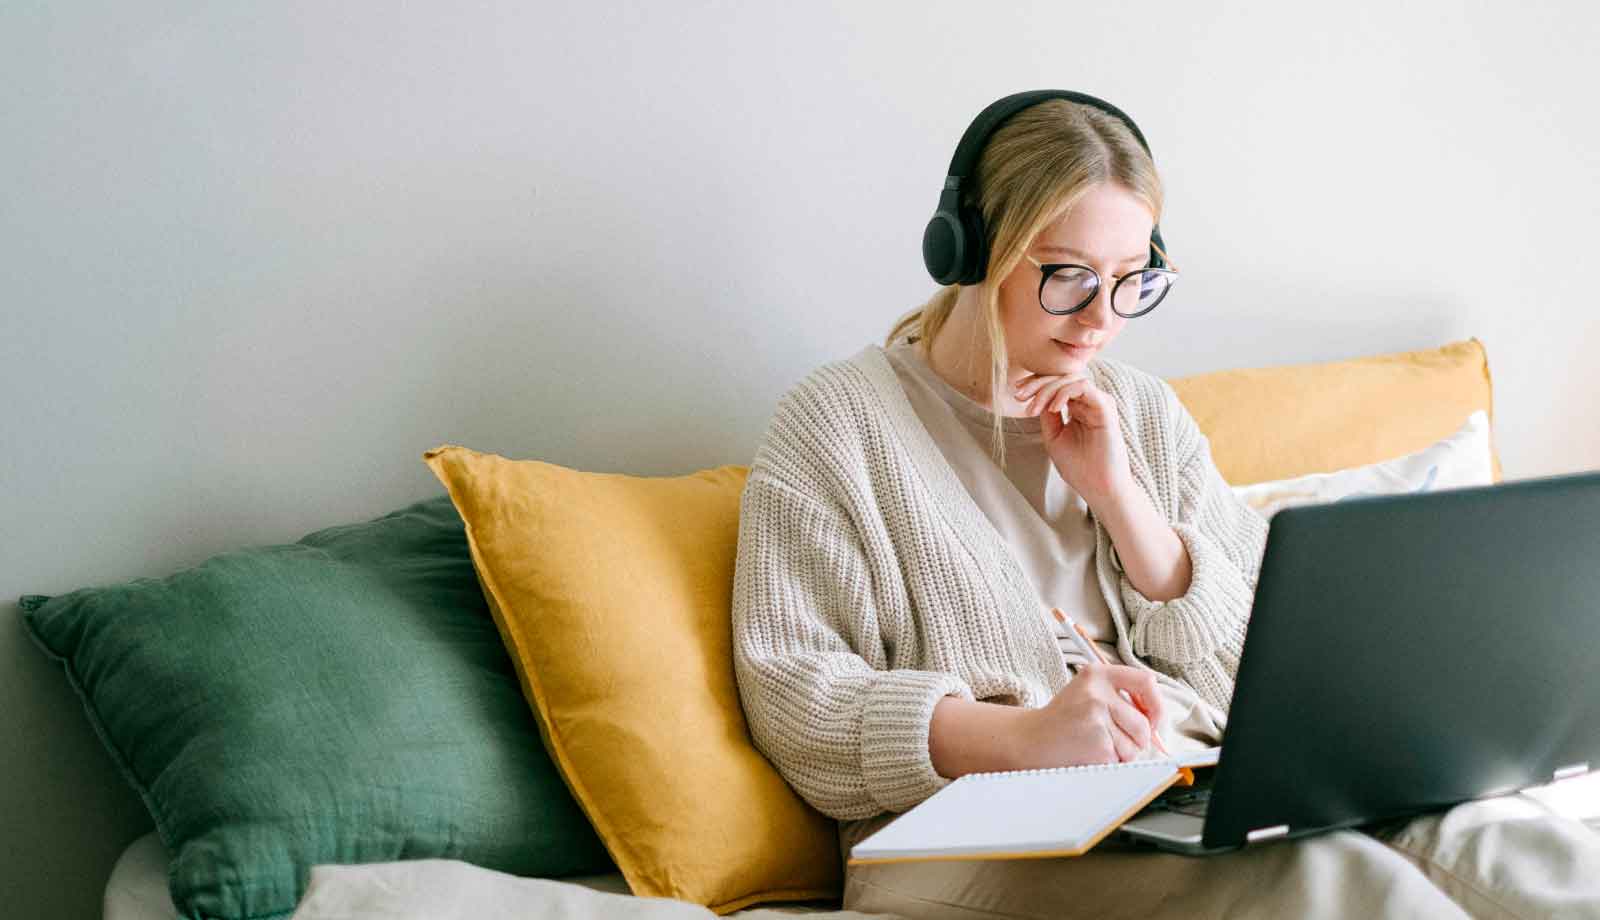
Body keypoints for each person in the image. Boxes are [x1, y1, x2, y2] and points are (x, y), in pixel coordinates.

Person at [730, 94, 1600, 919]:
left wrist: (1123, 502)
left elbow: (1265, 664)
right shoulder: (839, 424)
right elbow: (799, 701)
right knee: (1336, 882)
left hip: (1186, 784)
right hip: (962, 836)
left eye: (1133, 279)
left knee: (1492, 838)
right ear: (970, 251)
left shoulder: (1139, 410)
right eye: (1068, 278)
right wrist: (1025, 738)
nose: (1103, 318)